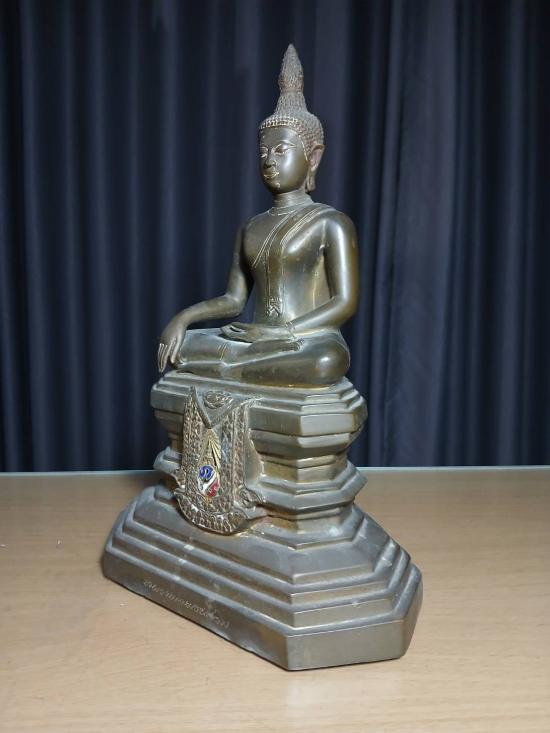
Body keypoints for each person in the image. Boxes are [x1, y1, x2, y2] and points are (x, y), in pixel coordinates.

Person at [158, 45, 359, 387]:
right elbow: (234, 300)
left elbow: (345, 302)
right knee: (186, 345)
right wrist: (183, 318)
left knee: (327, 361)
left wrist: (281, 333)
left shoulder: (331, 223)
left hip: (305, 341)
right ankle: (238, 367)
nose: (269, 160)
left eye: (281, 150)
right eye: (263, 151)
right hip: (253, 340)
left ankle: (232, 369)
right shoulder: (250, 227)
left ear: (313, 157)